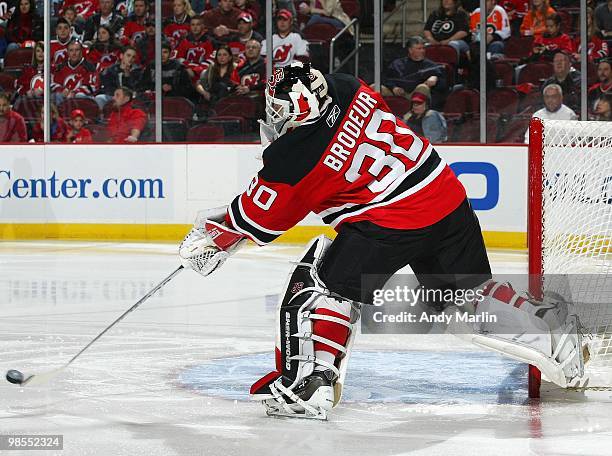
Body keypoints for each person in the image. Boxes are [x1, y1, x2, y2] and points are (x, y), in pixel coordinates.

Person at [177, 62, 584, 419]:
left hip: (391, 219)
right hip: (444, 193)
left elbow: (259, 220)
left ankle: (315, 384)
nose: (272, 118)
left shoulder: (295, 156)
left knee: (324, 284)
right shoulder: (345, 86)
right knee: (466, 295)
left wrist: (213, 236)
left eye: (277, 111)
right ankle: (551, 333)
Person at [381, 36, 448, 110]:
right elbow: (386, 78)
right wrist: (393, 87)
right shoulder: (397, 63)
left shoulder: (431, 65)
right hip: (396, 92)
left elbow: (443, 85)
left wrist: (436, 78)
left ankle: (418, 115)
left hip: (415, 93)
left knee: (423, 87)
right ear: (410, 50)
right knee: (375, 87)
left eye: (423, 48)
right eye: (419, 48)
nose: (422, 51)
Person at [51, 39, 99, 105]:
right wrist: (62, 90)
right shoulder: (60, 67)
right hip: (64, 98)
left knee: (79, 96)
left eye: (77, 50)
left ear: (81, 51)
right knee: (56, 96)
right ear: (67, 52)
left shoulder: (89, 67)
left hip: (84, 98)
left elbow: (93, 87)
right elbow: (53, 83)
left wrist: (75, 92)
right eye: (71, 50)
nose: (74, 53)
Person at [96, 45, 144, 110]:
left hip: (130, 98)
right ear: (121, 56)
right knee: (100, 98)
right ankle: (102, 118)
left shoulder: (137, 71)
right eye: (128, 55)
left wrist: (127, 76)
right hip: (113, 95)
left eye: (133, 57)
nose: (130, 59)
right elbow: (107, 87)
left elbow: (136, 88)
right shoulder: (111, 70)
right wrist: (118, 95)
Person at [174, 15, 214, 81]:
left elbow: (210, 60)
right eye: (193, 25)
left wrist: (196, 70)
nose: (195, 27)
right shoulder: (184, 41)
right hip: (187, 72)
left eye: (198, 25)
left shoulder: (210, 41)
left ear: (203, 26)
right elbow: (179, 58)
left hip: (203, 74)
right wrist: (188, 68)